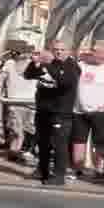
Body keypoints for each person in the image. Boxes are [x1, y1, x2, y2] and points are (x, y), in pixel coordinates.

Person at [24, 39, 81, 186]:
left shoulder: (72, 66)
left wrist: (47, 64)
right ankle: (42, 170)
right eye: (55, 49)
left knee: (59, 145)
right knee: (43, 143)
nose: (58, 52)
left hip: (61, 112)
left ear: (69, 51)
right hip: (43, 110)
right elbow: (28, 75)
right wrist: (35, 62)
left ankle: (59, 175)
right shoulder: (50, 64)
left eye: (62, 50)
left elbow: (64, 81)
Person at [71, 40, 104, 179]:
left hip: (101, 112)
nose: (94, 53)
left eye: (98, 51)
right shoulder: (81, 66)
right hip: (79, 110)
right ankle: (78, 169)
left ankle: (99, 169)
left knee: (99, 142)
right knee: (78, 140)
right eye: (93, 50)